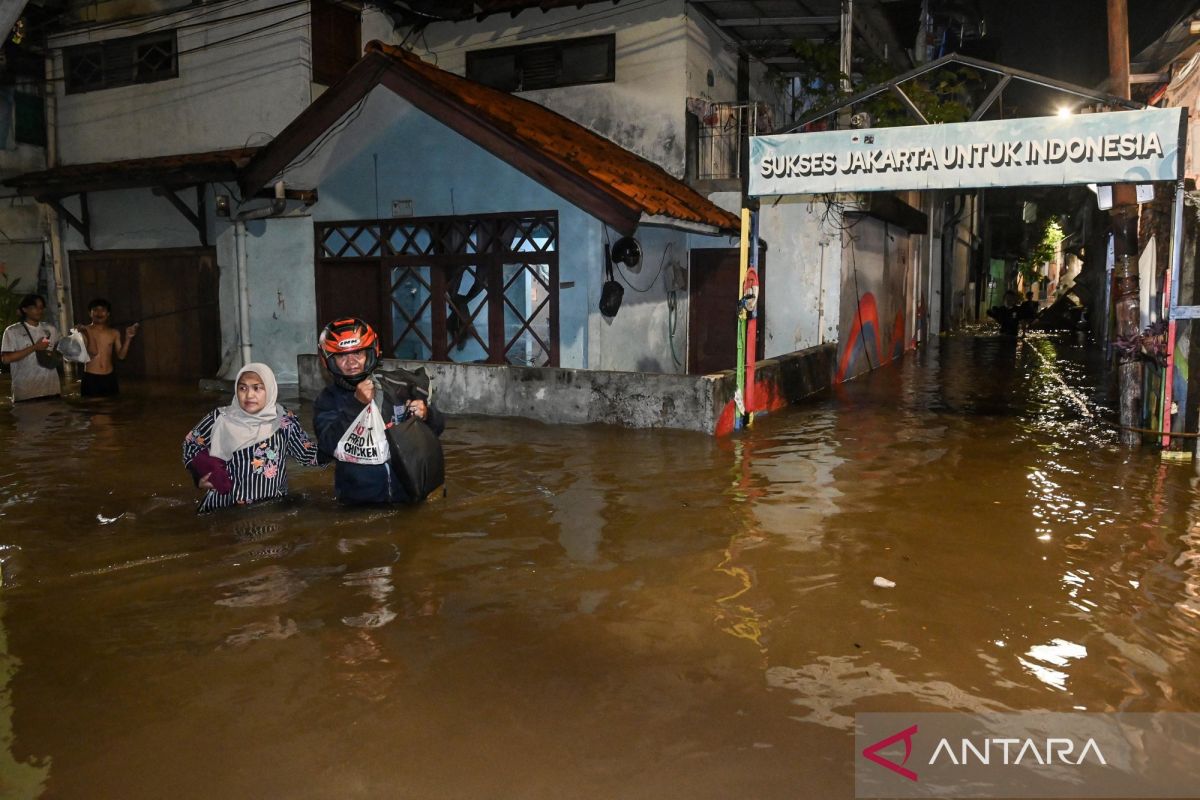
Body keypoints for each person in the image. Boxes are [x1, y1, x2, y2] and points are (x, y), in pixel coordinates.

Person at [313, 318, 445, 505]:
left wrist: (427, 415)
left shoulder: (397, 386)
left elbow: (437, 429)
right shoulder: (327, 400)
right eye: (342, 356)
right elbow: (326, 447)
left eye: (358, 353)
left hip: (406, 497)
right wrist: (355, 404)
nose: (351, 362)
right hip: (357, 503)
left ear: (371, 353)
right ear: (329, 361)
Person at [182, 362, 318, 514]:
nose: (249, 395)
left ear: (270, 389)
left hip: (271, 507)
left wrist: (337, 448)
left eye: (257, 388)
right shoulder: (220, 418)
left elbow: (306, 454)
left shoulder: (283, 420)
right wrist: (199, 476)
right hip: (224, 509)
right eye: (243, 388)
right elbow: (191, 444)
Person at [1, 293, 61, 402]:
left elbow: (60, 350)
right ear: (24, 309)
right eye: (34, 307)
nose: (39, 311)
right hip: (27, 393)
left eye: (41, 307)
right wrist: (35, 347)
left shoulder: (50, 329)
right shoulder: (12, 331)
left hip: (51, 390)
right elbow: (6, 359)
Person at [77, 298, 138, 397]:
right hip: (91, 376)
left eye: (103, 310)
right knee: (92, 409)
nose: (99, 313)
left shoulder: (114, 333)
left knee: (112, 410)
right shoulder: (83, 331)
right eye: (95, 310)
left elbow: (121, 356)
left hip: (110, 377)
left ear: (108, 314)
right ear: (90, 313)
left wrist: (128, 338)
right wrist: (87, 332)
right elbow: (92, 352)